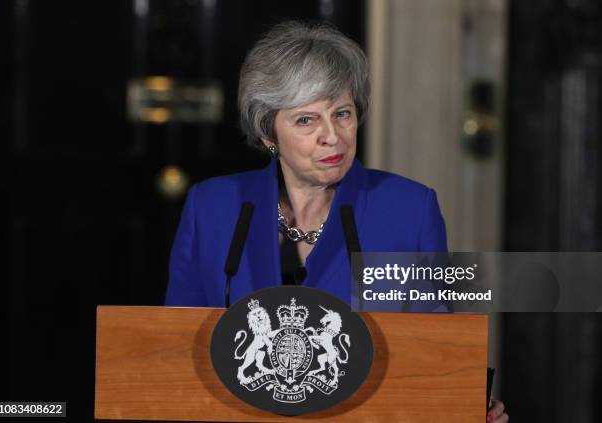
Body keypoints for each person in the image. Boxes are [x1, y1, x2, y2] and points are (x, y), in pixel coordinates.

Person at [165, 21, 507, 422]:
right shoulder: (212, 207)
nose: (333, 137)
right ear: (267, 132)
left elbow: (433, 348)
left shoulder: (408, 208)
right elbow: (175, 344)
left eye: (342, 114)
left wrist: (461, 402)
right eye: (306, 120)